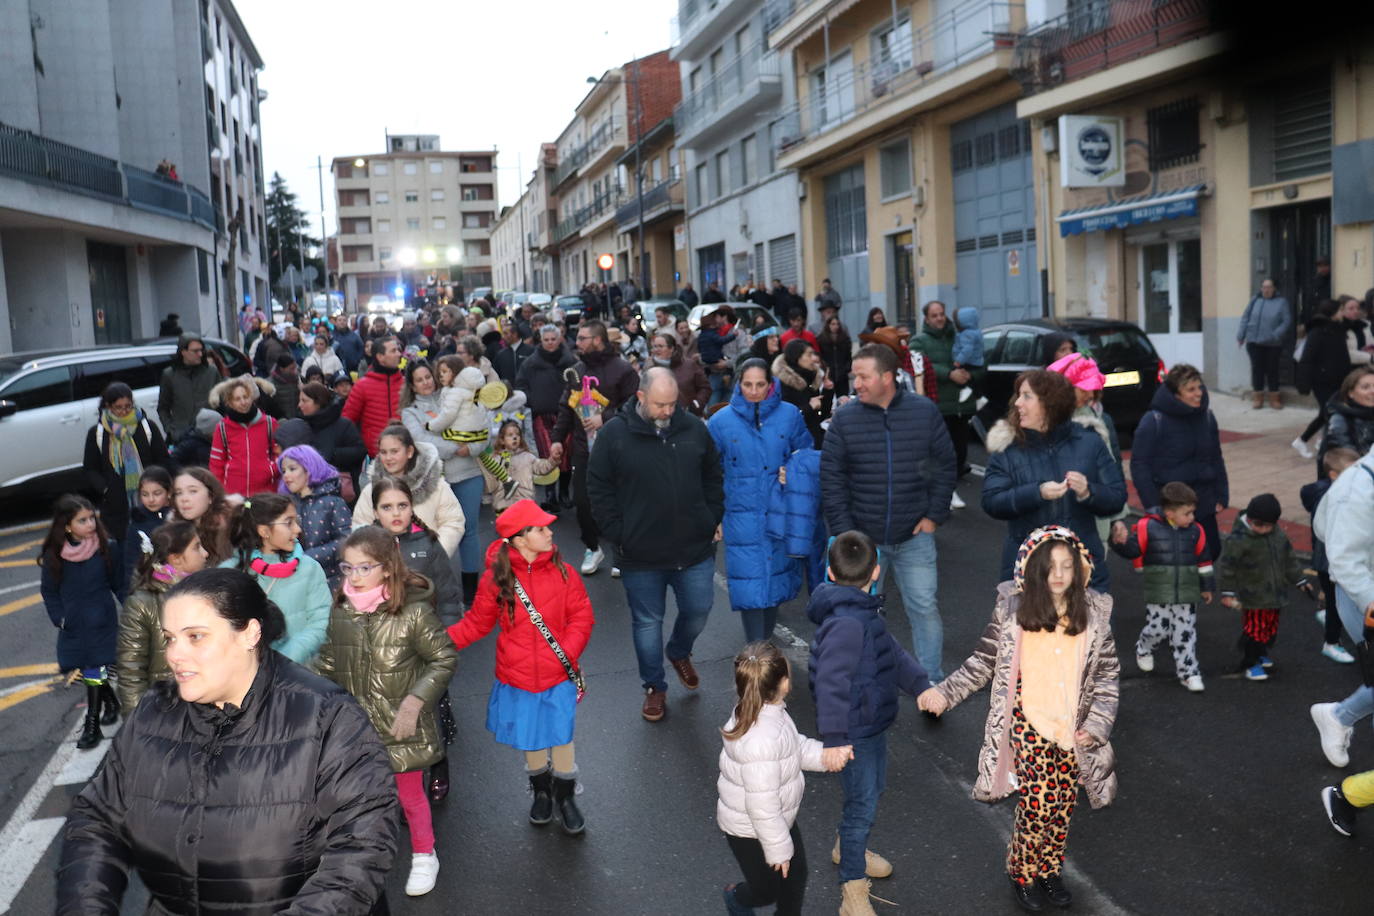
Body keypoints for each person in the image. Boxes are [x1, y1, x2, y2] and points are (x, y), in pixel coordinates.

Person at [57, 567, 400, 916]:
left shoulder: (328, 717)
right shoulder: (154, 712)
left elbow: (360, 848)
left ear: (249, 634)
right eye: (170, 638)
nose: (174, 654)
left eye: (195, 637)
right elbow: (97, 819)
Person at [920, 526, 1118, 914]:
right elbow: (983, 662)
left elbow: (1108, 676)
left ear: (1080, 570)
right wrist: (944, 692)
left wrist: (1096, 726)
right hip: (1030, 726)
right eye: (1049, 567)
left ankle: (1049, 869)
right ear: (1032, 572)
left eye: (1067, 566)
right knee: (1038, 805)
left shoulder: (1093, 616)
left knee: (1062, 805)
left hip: (1072, 732)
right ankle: (1023, 872)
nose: (1059, 574)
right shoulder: (1014, 614)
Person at [316, 527, 457, 898]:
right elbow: (329, 662)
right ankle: (367, 854)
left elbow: (443, 659)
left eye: (365, 568)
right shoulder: (342, 611)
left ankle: (425, 854)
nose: (354, 577)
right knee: (364, 798)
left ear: (388, 568)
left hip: (399, 724)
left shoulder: (412, 613)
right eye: (347, 568)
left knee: (410, 795)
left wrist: (415, 702)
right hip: (356, 728)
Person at [447, 500, 595, 834]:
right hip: (518, 676)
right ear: (519, 539)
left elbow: (582, 617)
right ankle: (541, 792)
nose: (550, 532)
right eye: (540, 528)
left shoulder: (564, 573)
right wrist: (439, 642)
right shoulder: (496, 580)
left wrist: (567, 652)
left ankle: (566, 796)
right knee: (532, 740)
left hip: (558, 674)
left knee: (561, 737)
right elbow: (477, 624)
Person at [588, 368, 724, 721]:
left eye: (672, 404)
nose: (667, 411)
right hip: (641, 554)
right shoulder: (614, 435)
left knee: (699, 610)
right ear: (641, 397)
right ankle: (654, 687)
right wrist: (620, 533)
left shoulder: (693, 428)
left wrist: (711, 517)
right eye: (660, 405)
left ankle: (679, 650)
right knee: (647, 623)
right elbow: (598, 487)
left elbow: (712, 473)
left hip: (693, 548)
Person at [808, 531, 928, 915]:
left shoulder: (864, 612)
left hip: (869, 724)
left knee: (871, 791)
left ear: (829, 571)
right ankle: (852, 891)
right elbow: (829, 682)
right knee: (862, 804)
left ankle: (846, 846)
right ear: (876, 571)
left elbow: (890, 652)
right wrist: (835, 738)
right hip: (854, 731)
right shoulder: (848, 623)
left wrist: (921, 685)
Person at [821, 343, 957, 680]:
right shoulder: (845, 420)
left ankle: (930, 682)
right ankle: (865, 679)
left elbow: (945, 465)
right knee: (855, 614)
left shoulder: (923, 412)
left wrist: (933, 516)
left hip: (914, 537)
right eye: (855, 377)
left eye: (863, 377)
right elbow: (831, 478)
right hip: (862, 543)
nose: (857, 384)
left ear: (887, 377)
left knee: (924, 609)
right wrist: (845, 532)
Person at [717, 642, 846, 916]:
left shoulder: (771, 714)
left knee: (795, 878)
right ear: (784, 682)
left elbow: (793, 749)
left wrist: (827, 755)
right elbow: (761, 806)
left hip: (776, 817)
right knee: (766, 890)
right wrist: (778, 851)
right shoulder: (760, 739)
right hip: (749, 829)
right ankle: (736, 898)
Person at [983, 370, 1126, 592]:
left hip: (1082, 569)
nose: (1018, 403)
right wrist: (1036, 493)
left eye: (1027, 396)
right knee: (1031, 627)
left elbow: (1117, 498)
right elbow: (992, 501)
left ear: (1051, 402)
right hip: (1029, 571)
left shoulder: (1090, 442)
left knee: (1088, 627)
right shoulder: (1008, 448)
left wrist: (1088, 492)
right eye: (1018, 395)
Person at [709, 359, 813, 643]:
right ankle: (757, 661)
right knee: (752, 594)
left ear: (771, 385)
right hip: (740, 519)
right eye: (747, 384)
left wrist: (792, 472)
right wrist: (713, 517)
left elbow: (806, 456)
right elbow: (707, 473)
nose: (754, 391)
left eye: (760, 384)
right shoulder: (720, 423)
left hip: (781, 516)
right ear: (738, 384)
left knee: (775, 588)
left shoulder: (790, 415)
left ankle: (762, 658)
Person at [552, 320, 640, 575]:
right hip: (583, 449)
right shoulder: (576, 372)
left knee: (618, 502)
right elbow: (566, 409)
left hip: (617, 448)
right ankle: (592, 547)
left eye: (582, 338)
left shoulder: (623, 370)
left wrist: (606, 417)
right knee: (582, 500)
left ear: (597, 340)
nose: (576, 343)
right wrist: (557, 439)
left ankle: (621, 551)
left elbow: (635, 405)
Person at [1108, 482, 1215, 691]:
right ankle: (1144, 647)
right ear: (1170, 512)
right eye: (1187, 513)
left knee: (1185, 633)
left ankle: (1189, 672)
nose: (1192, 518)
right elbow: (1133, 550)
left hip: (1186, 592)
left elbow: (1204, 560)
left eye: (1193, 512)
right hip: (1159, 592)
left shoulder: (1196, 531)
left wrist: (1207, 586)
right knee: (1158, 628)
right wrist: (1118, 542)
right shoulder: (1148, 527)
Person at [39, 495, 121, 749]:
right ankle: (112, 703)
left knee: (93, 668)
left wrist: (133, 610)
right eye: (82, 520)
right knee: (91, 668)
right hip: (74, 625)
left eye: (91, 518)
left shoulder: (107, 547)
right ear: (67, 525)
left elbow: (119, 584)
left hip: (101, 622)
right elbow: (49, 592)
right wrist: (60, 619)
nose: (90, 524)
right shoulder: (55, 556)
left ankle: (92, 724)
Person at [400, 361, 484, 600]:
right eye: (420, 379)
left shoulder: (459, 396)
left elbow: (482, 427)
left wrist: (475, 447)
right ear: (413, 386)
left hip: (468, 473)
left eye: (429, 376)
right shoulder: (410, 411)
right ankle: (435, 586)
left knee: (469, 530)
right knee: (434, 533)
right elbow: (421, 440)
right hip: (434, 480)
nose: (426, 382)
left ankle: (471, 587)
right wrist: (455, 448)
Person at [1129, 364, 1229, 559]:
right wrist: (1153, 506)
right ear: (1176, 394)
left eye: (1199, 387)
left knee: (1210, 551)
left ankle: (1203, 590)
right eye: (1190, 389)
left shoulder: (1207, 417)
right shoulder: (1153, 421)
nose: (1198, 393)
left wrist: (1221, 494)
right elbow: (1139, 465)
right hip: (1171, 507)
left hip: (1204, 502)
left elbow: (1216, 457)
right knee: (1178, 560)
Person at [222, 493, 332, 666]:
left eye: (297, 521)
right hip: (244, 671)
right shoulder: (229, 572)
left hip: (296, 671)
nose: (297, 529)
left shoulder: (309, 568)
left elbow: (321, 622)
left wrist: (287, 657)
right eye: (289, 522)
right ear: (264, 531)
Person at [115, 519, 209, 713]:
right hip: (170, 708)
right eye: (197, 547)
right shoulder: (143, 603)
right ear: (176, 559)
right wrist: (137, 724)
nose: (205, 553)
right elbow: (131, 669)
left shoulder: (209, 591)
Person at [1217, 493, 1313, 680]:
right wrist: (1227, 592)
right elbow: (1228, 567)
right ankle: (1250, 663)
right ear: (1250, 519)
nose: (1263, 530)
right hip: (1253, 595)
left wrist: (1300, 580)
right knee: (1256, 629)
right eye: (1259, 525)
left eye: (1268, 525)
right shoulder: (1238, 539)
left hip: (1275, 594)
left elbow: (1289, 560)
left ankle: (1260, 653)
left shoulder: (1277, 535)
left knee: (1269, 628)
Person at [82, 382, 169, 575]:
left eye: (128, 406)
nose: (123, 412)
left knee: (158, 554)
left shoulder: (146, 427)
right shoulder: (97, 433)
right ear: (107, 407)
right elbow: (90, 469)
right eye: (118, 408)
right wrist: (106, 489)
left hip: (149, 502)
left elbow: (163, 460)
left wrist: (158, 485)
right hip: (116, 509)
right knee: (125, 561)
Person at [352, 425, 466, 558]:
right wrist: (376, 560)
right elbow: (360, 526)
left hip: (428, 569)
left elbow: (453, 521)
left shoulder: (436, 485)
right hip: (385, 570)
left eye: (394, 451)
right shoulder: (371, 490)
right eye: (383, 452)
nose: (388, 458)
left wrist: (435, 554)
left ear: (410, 451)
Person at [911, 301, 980, 503]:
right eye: (934, 315)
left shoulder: (959, 336)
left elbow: (975, 358)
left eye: (941, 314)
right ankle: (944, 493)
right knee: (941, 454)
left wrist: (969, 373)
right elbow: (919, 366)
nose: (939, 318)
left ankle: (948, 490)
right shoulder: (919, 341)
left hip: (961, 405)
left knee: (960, 452)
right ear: (926, 319)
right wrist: (949, 374)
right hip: (938, 405)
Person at [372, 477, 463, 625]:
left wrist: (449, 635)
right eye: (387, 507)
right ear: (375, 512)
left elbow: (447, 595)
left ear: (411, 507)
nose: (396, 513)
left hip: (423, 632)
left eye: (402, 506)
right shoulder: (364, 546)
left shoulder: (428, 543)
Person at [1301, 447, 1361, 665]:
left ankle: (1327, 616)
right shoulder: (1336, 497)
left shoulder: (1325, 491)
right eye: (1352, 471)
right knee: (1338, 601)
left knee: (1334, 598)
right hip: (1330, 561)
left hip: (1324, 558)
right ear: (1334, 475)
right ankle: (1331, 643)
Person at [516, 325, 578, 509]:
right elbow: (520, 385)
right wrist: (533, 401)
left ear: (559, 339)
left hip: (566, 415)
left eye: (553, 339)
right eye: (546, 339)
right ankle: (550, 494)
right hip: (541, 415)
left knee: (565, 454)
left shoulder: (571, 361)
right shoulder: (530, 363)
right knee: (547, 453)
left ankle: (565, 492)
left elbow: (580, 385)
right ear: (540, 341)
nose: (550, 342)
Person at [278, 445, 352, 586]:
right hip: (296, 579)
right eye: (283, 471)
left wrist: (309, 557)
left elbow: (346, 540)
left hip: (330, 579)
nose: (286, 475)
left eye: (292, 469)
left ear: (309, 468)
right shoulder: (287, 505)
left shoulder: (333, 501)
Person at [1294, 299, 1350, 458]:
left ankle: (1311, 441)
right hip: (1322, 381)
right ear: (1333, 313)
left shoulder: (1338, 329)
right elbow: (1307, 359)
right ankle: (1310, 441)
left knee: (1328, 412)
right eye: (1341, 310)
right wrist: (1303, 384)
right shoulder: (1317, 332)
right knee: (1329, 412)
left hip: (1337, 379)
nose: (1343, 313)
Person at [208, 375, 279, 498]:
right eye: (237, 399)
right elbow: (216, 464)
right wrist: (220, 491)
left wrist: (271, 470)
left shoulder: (269, 423)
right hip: (234, 493)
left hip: (266, 491)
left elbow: (280, 453)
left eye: (246, 397)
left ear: (252, 398)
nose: (243, 402)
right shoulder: (223, 428)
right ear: (229, 402)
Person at [343, 334, 404, 458]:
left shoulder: (405, 383)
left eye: (398, 350)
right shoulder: (362, 386)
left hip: (404, 451)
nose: (399, 354)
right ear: (380, 357)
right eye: (393, 351)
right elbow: (347, 421)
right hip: (375, 454)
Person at [480, 420, 559, 514]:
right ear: (502, 440)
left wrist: (552, 460)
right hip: (504, 506)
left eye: (517, 435)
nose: (514, 437)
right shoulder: (496, 459)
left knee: (527, 528)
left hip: (526, 503)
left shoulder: (527, 457)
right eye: (510, 435)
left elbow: (541, 468)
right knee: (508, 528)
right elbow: (490, 481)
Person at [294, 381, 366, 484]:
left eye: (304, 401)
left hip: (340, 486)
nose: (299, 405)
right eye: (299, 400)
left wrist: (333, 455)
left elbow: (360, 451)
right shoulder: (300, 425)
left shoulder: (343, 424)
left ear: (318, 402)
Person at [1237, 278, 1293, 409]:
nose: (1266, 290)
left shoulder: (1282, 302)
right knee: (1257, 369)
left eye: (1269, 287)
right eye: (1264, 287)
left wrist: (1275, 335)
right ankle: (1258, 398)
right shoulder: (1255, 300)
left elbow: (1286, 321)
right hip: (1254, 341)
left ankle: (1274, 399)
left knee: (1272, 370)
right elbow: (1245, 317)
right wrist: (1241, 335)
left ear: (1274, 289)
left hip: (1272, 343)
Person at [158, 333, 220, 443]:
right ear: (183, 352)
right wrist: (170, 430)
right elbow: (163, 408)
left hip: (209, 436)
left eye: (201, 350)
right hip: (182, 436)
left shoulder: (212, 372)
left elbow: (222, 403)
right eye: (195, 351)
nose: (200, 354)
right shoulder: (169, 375)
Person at [772, 340, 833, 450]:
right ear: (797, 357)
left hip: (815, 443)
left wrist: (828, 391)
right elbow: (785, 420)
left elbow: (820, 416)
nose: (814, 358)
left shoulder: (810, 378)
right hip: (795, 447)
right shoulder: (782, 384)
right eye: (809, 354)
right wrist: (809, 407)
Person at [172, 467, 234, 564]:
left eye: (193, 491)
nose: (184, 499)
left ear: (211, 496)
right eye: (178, 493)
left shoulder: (230, 527)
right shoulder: (173, 529)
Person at [1318, 365, 1374, 466]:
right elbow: (1350, 465)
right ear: (1351, 393)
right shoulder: (1340, 421)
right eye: (1365, 387)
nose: (1373, 391)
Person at [650, 332, 709, 415]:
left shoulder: (689, 365)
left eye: (660, 346)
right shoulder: (650, 368)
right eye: (655, 346)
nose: (656, 350)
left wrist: (697, 404)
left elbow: (705, 387)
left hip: (688, 416)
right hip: (661, 417)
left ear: (671, 348)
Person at [817, 313, 853, 396]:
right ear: (828, 325)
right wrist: (824, 369)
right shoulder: (821, 339)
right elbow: (820, 356)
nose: (835, 326)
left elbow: (848, 356)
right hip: (828, 374)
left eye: (837, 324)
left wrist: (847, 368)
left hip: (842, 375)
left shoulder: (845, 339)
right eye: (833, 324)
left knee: (843, 398)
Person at [268, 353, 301, 420]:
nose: (295, 371)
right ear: (282, 369)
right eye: (291, 369)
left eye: (295, 367)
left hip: (298, 419)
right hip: (281, 421)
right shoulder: (270, 384)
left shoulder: (299, 380)